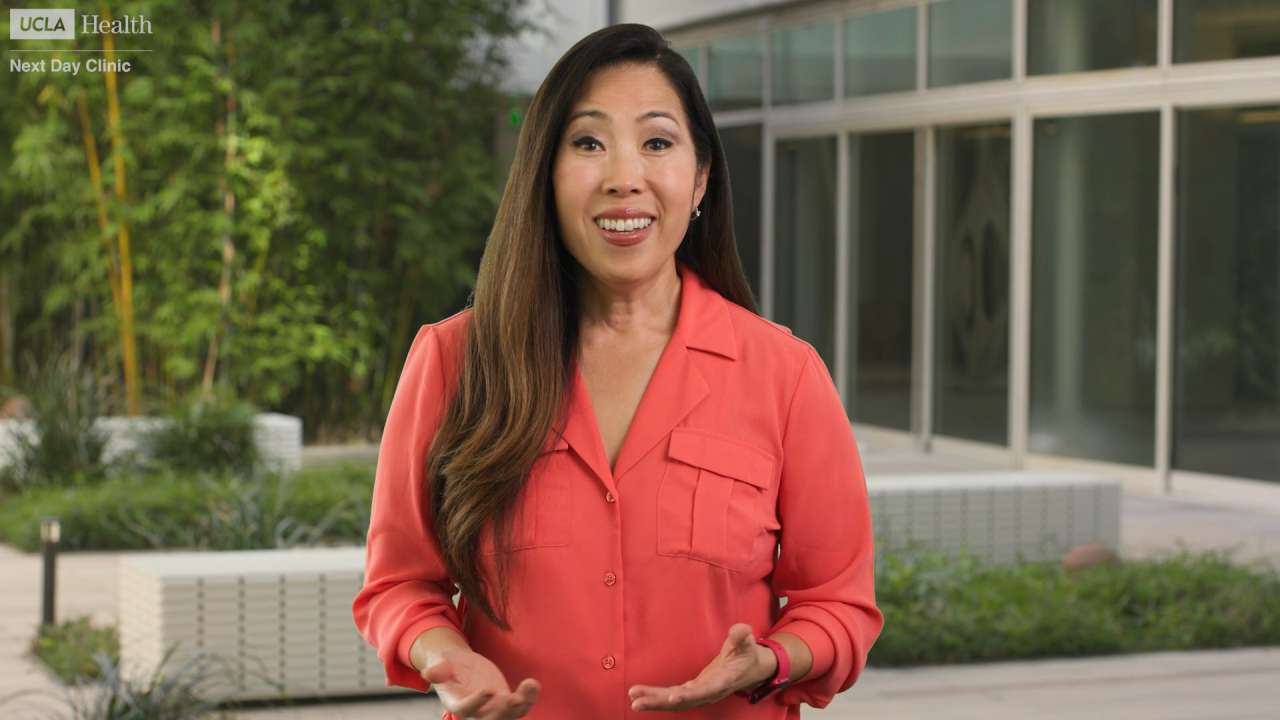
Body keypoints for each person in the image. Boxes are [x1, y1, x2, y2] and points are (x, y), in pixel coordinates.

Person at [352, 23, 883, 720]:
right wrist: (450, 662)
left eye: (657, 142)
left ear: (700, 180)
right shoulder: (455, 362)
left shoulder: (785, 374)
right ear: (544, 174)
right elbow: (398, 587)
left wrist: (772, 660)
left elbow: (837, 605)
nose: (622, 178)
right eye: (588, 143)